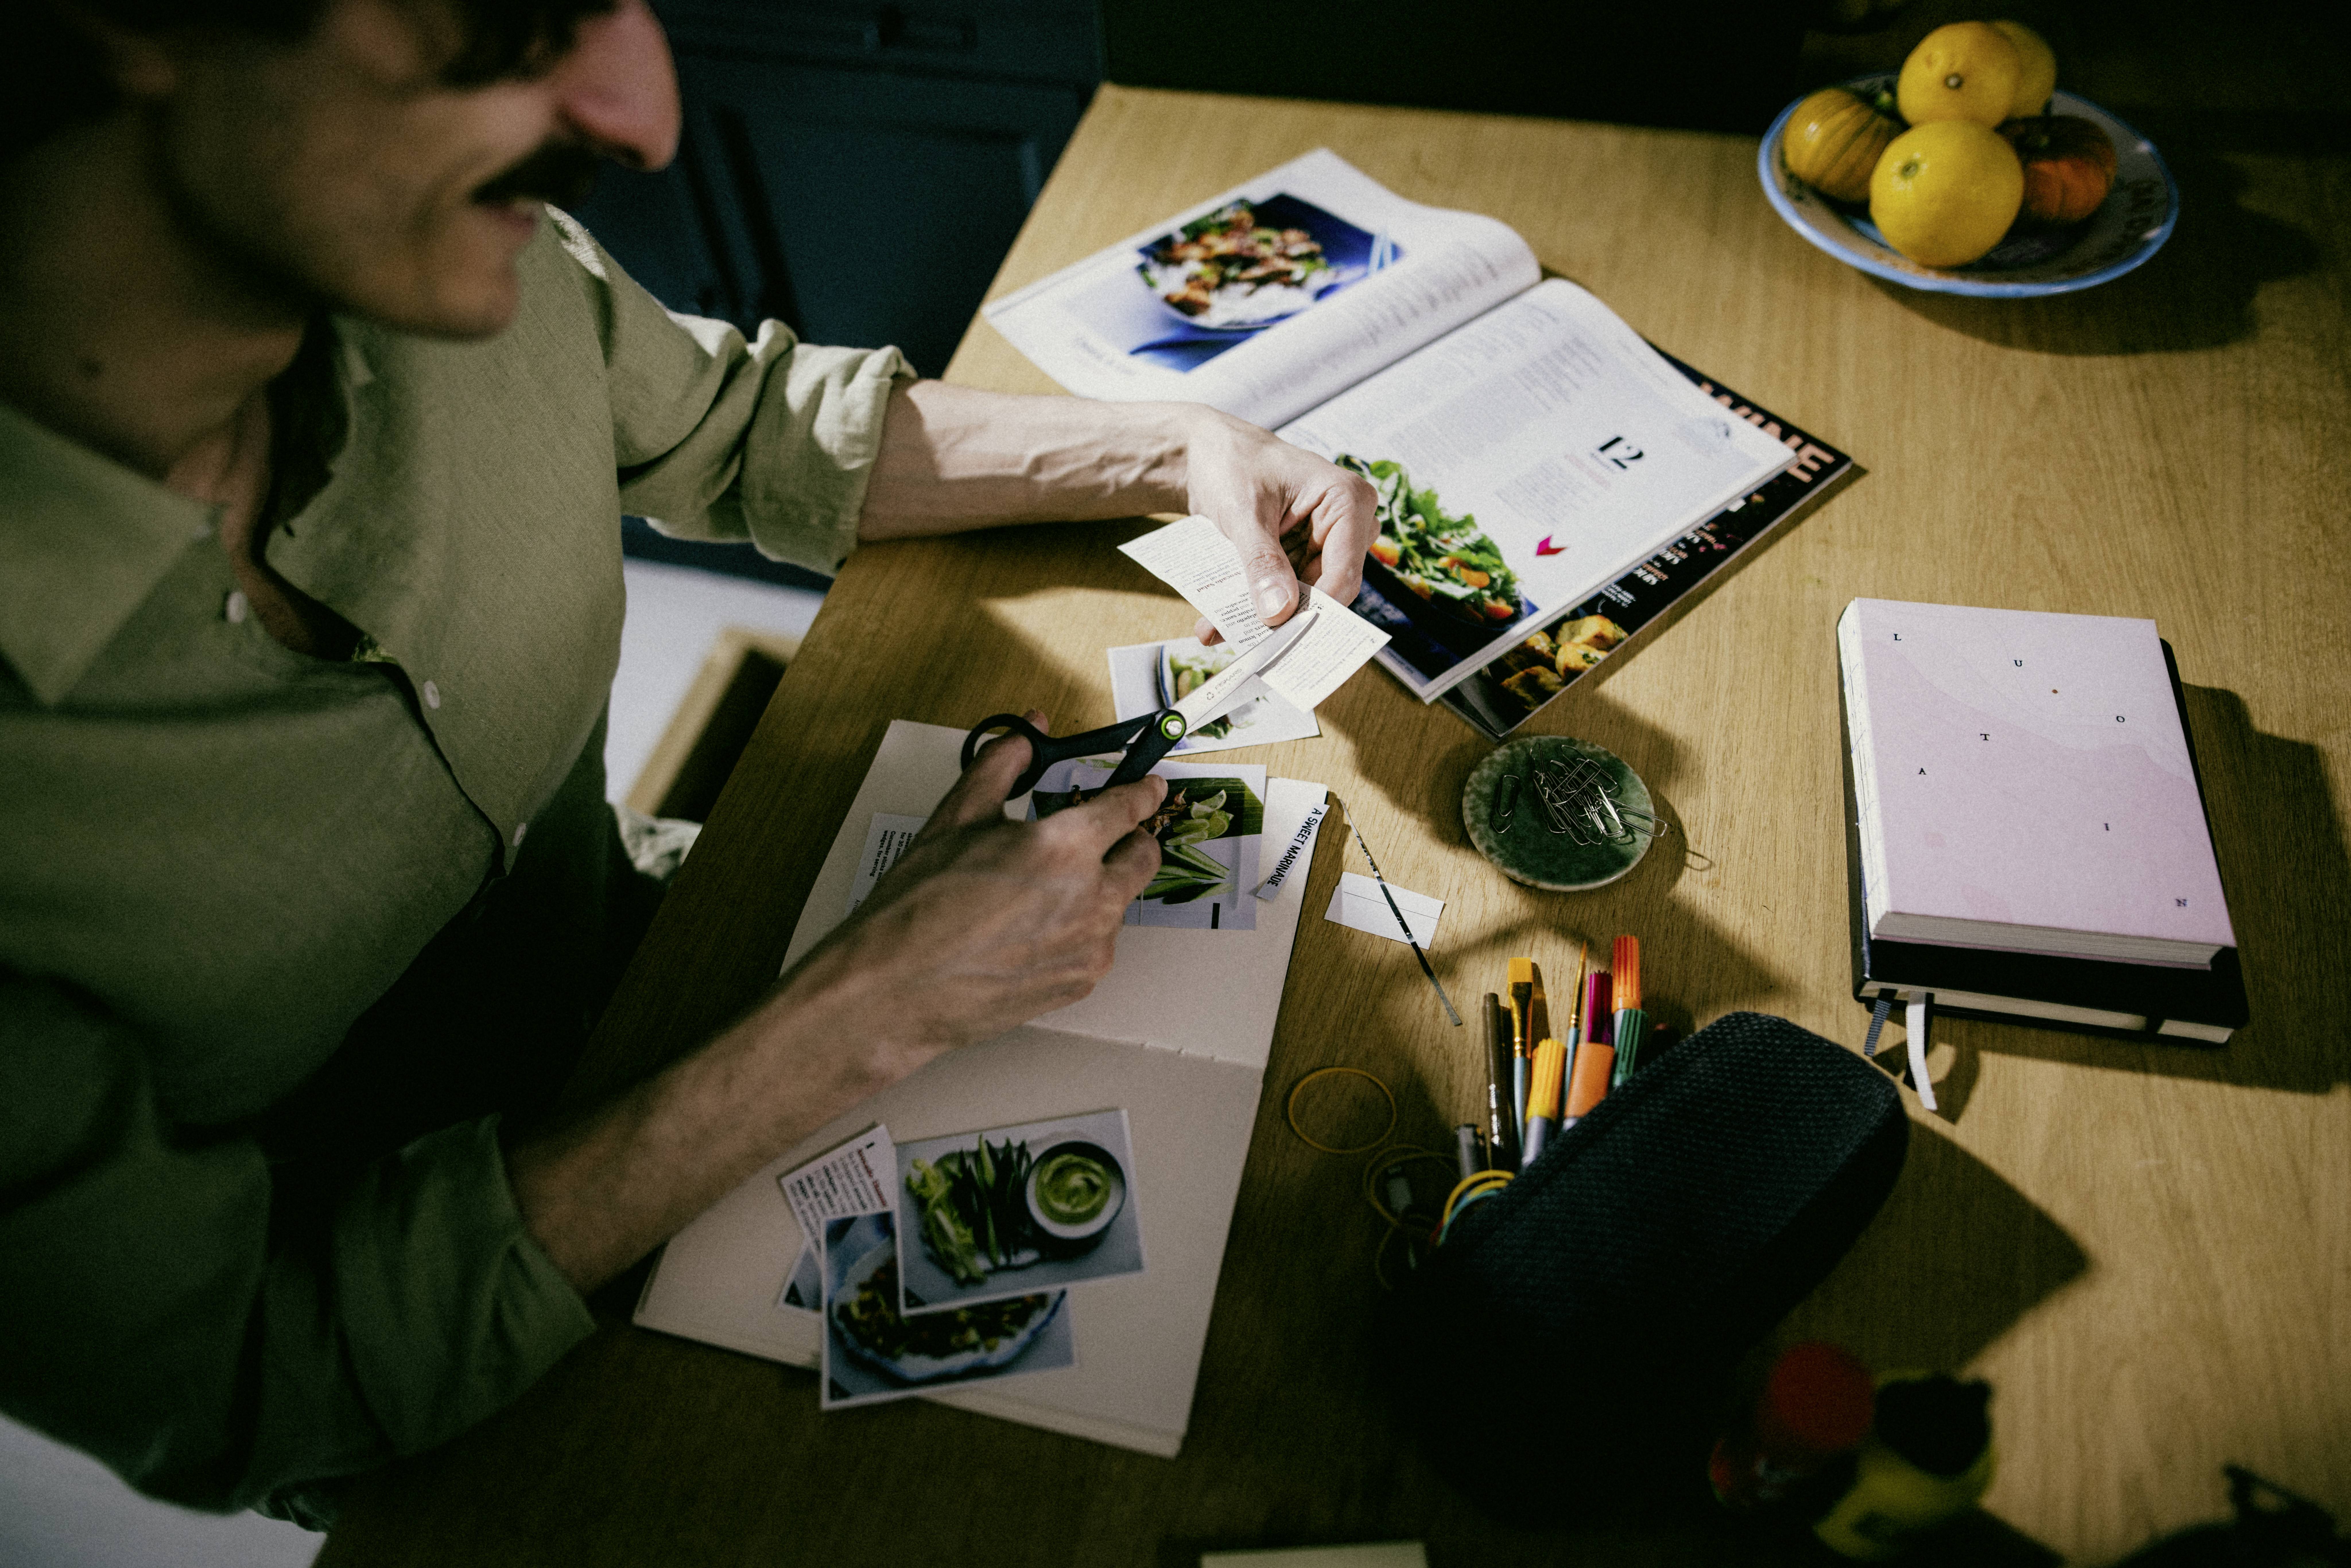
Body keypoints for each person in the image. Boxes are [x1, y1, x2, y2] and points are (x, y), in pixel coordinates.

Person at [0, 0, 1376, 1526]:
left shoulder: (432, 253)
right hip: (467, 1379)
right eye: (508, 12)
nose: (648, 119)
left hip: (684, 962)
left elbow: (736, 425)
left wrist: (1172, 447)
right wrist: (861, 1014)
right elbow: (255, 1369)